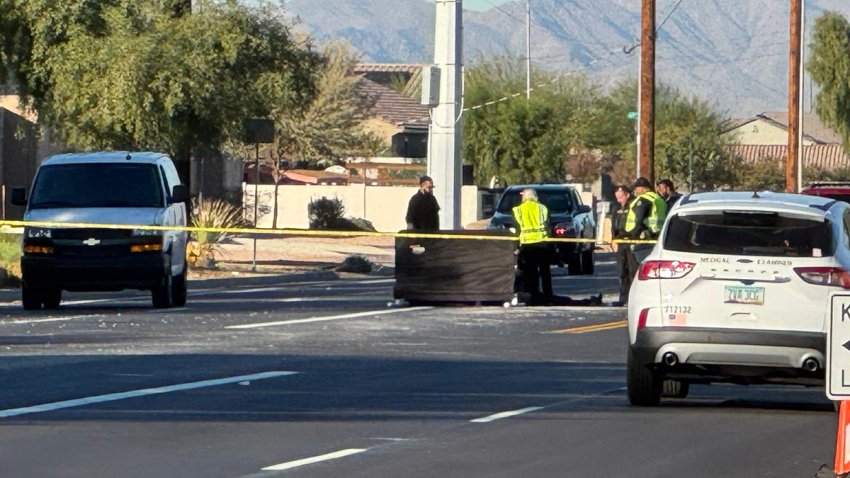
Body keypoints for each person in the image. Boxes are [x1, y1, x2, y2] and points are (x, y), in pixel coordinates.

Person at [513, 188, 553, 304]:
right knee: (545, 272)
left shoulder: (517, 210)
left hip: (526, 245)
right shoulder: (542, 208)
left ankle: (532, 295)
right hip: (542, 244)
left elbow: (516, 230)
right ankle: (548, 296)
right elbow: (548, 226)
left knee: (530, 272)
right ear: (535, 197)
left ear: (523, 197)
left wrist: (516, 247)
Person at [624, 177, 668, 266]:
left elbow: (639, 220)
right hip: (657, 236)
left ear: (642, 188)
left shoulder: (644, 199)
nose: (635, 191)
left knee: (636, 269)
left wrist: (632, 236)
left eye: (636, 188)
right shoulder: (658, 198)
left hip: (643, 239)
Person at [613, 185, 638, 305]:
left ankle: (633, 299)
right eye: (617, 198)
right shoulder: (617, 207)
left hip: (632, 241)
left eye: (620, 197)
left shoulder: (634, 205)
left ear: (627, 195)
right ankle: (623, 298)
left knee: (633, 271)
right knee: (622, 271)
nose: (619, 200)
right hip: (621, 242)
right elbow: (614, 223)